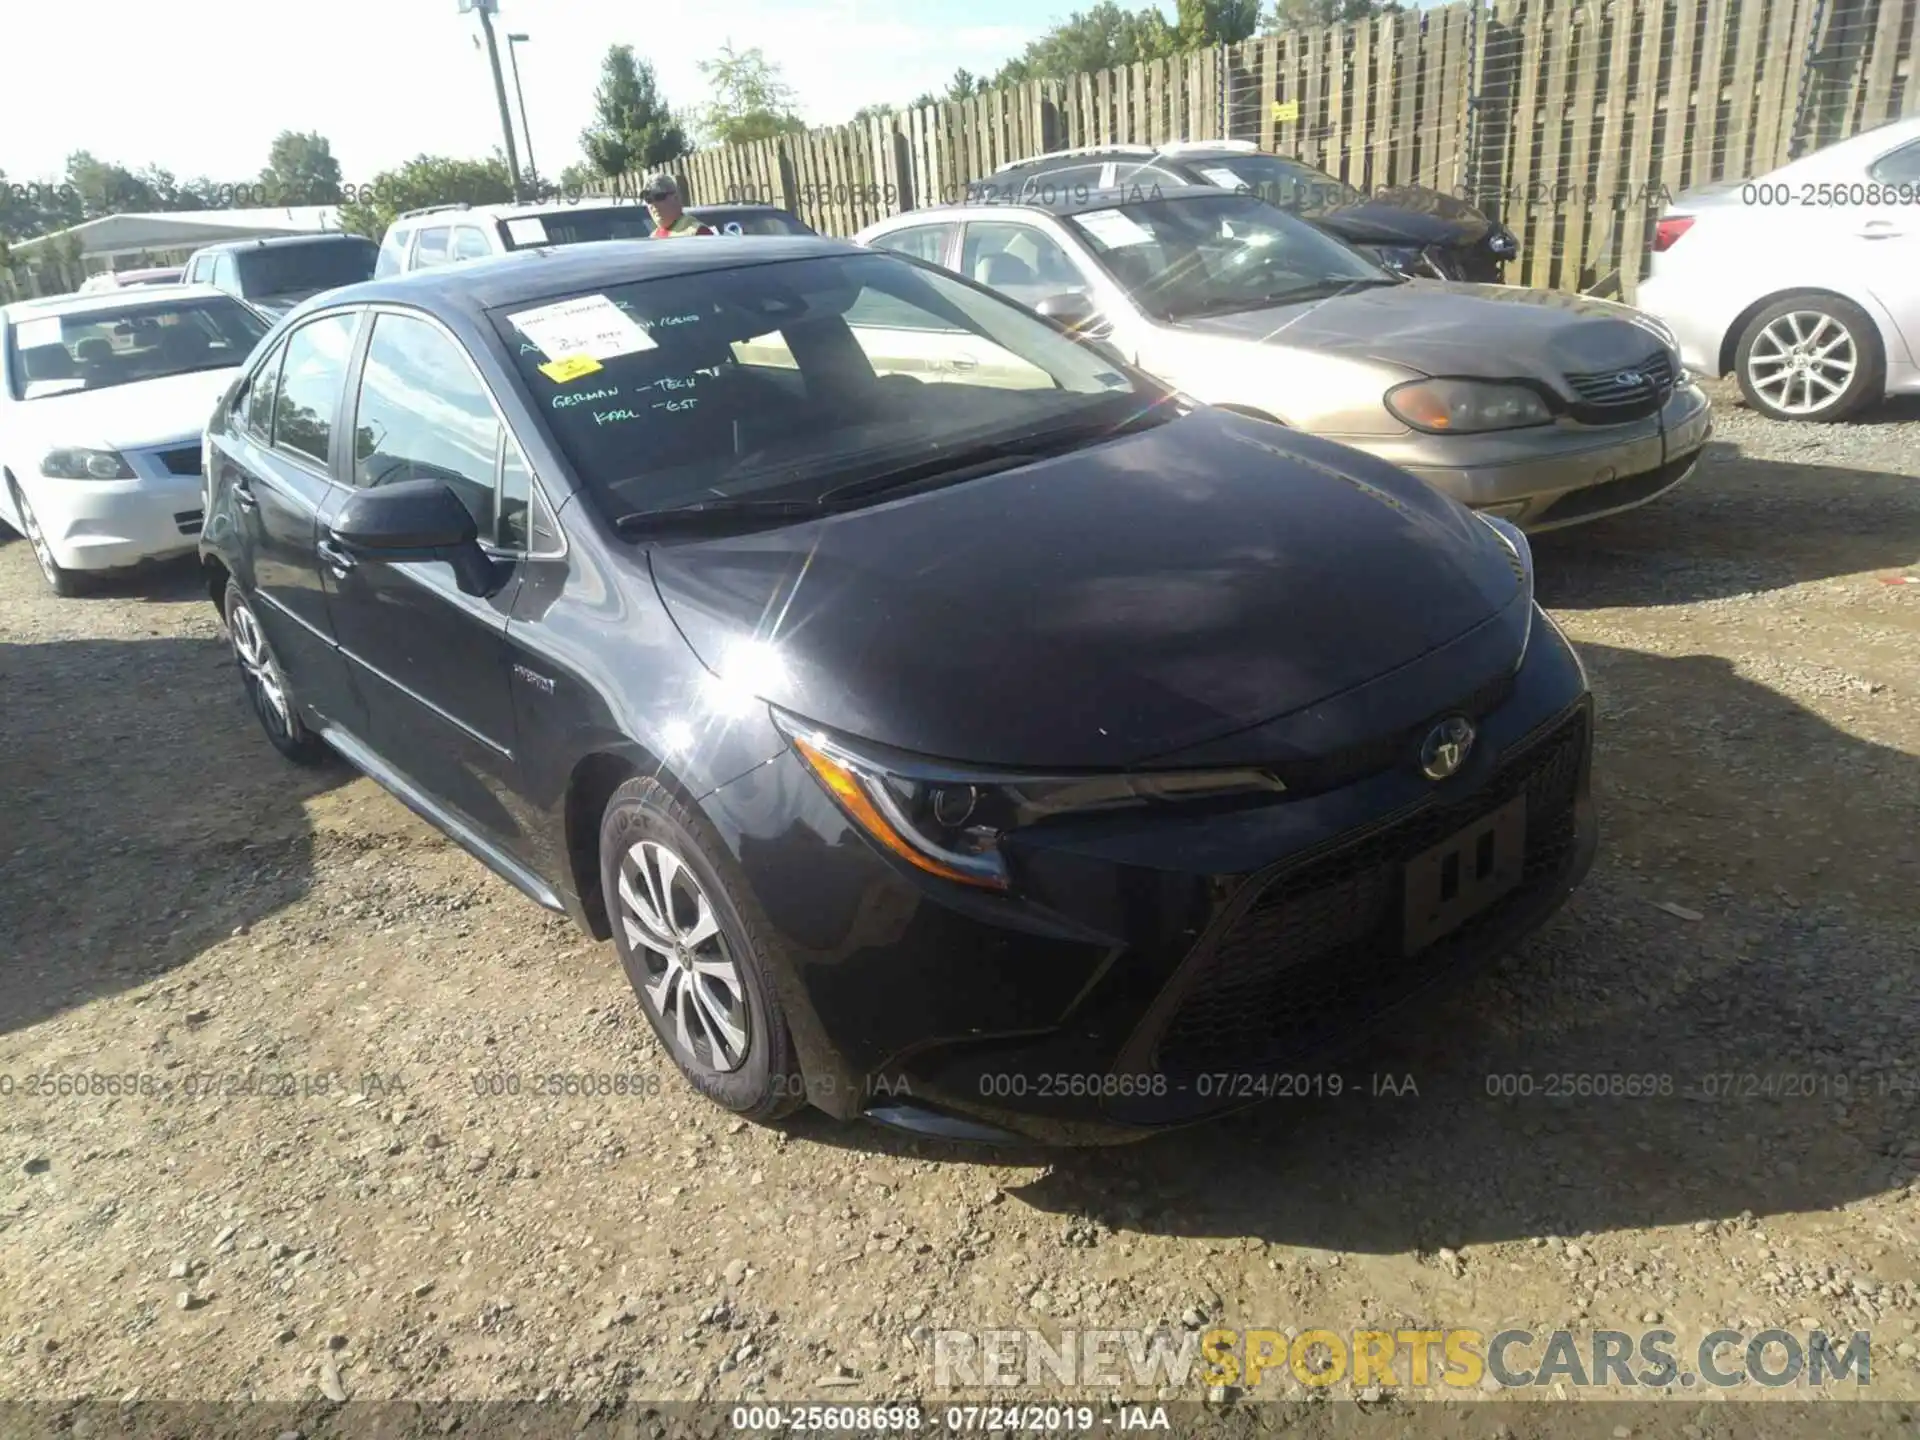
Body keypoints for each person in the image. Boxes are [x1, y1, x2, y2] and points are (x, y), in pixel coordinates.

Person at [641, 173, 714, 238]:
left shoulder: (698, 232)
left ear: (675, 197)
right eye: (648, 200)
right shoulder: (653, 237)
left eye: (659, 197)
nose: (653, 204)